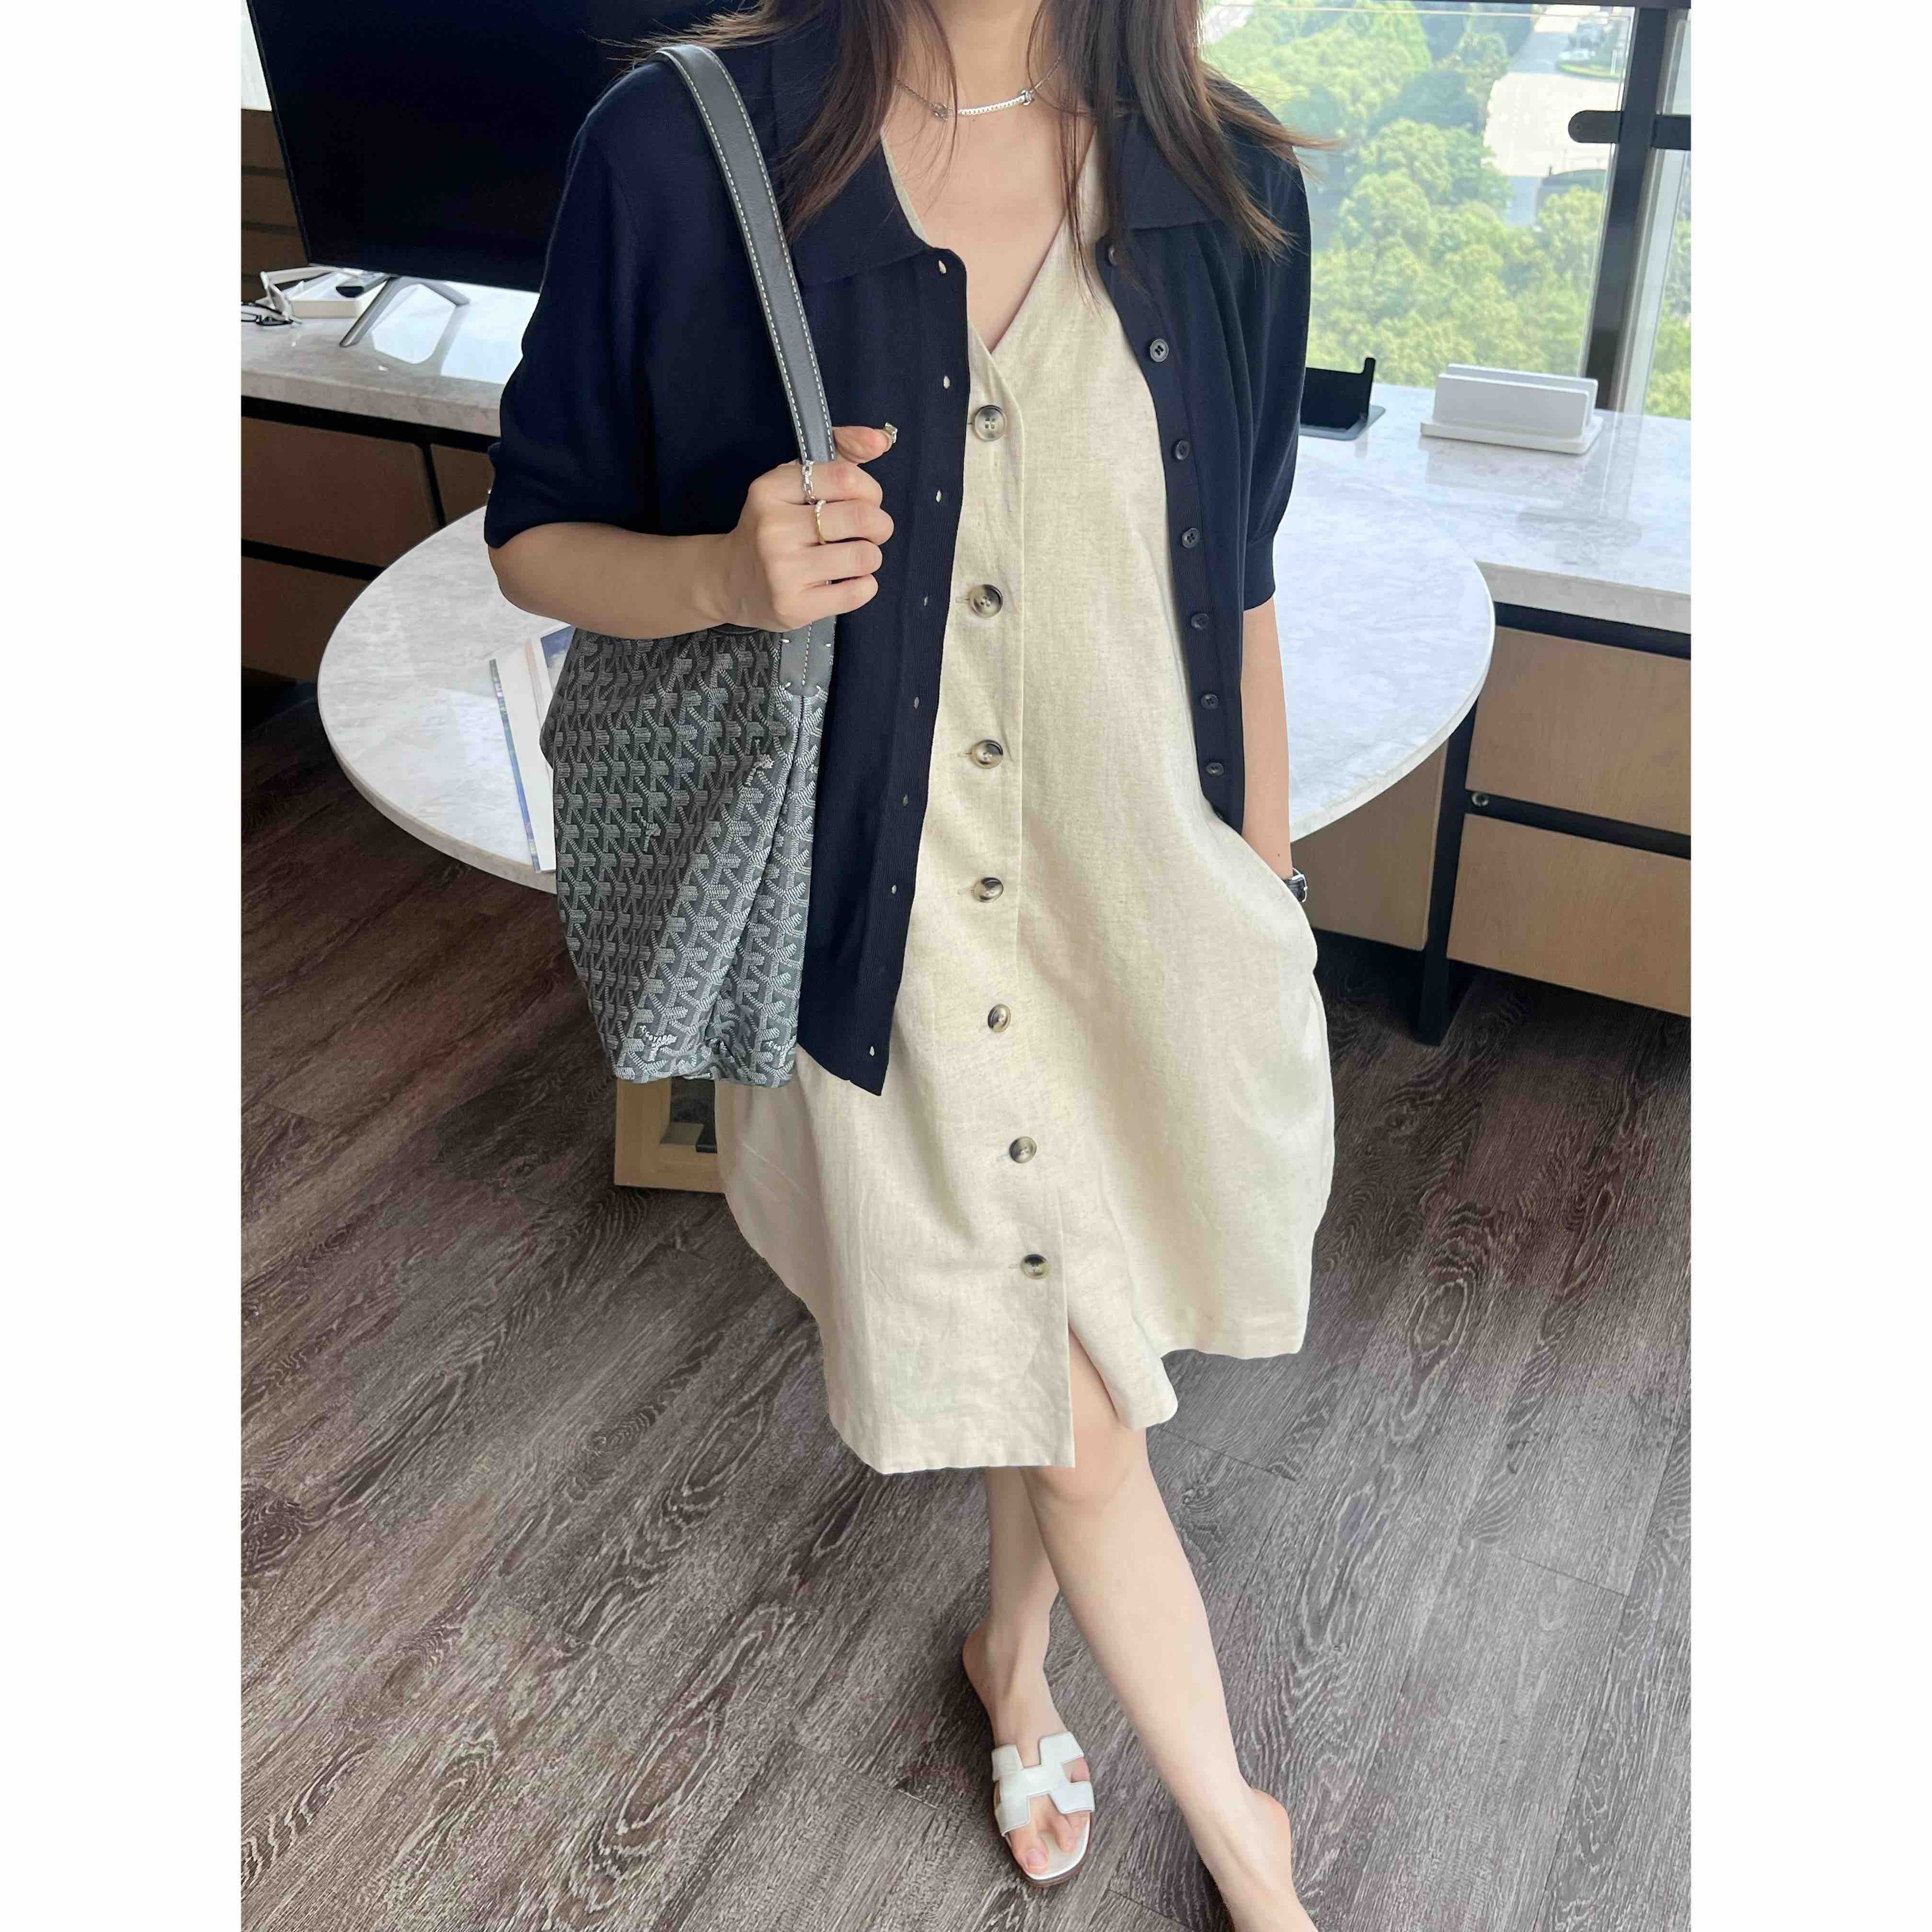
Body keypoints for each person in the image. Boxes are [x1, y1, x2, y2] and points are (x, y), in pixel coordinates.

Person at [486, 3, 1333, 1924]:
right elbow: (535, 536)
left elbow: (1245, 582)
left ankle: (1012, 1659)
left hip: (1145, 920)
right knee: (1088, 1416)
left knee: (1069, 1347)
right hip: (886, 932)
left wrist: (1267, 910)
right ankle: (1248, 1841)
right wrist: (721, 576)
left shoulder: (1230, 186)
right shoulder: (683, 153)